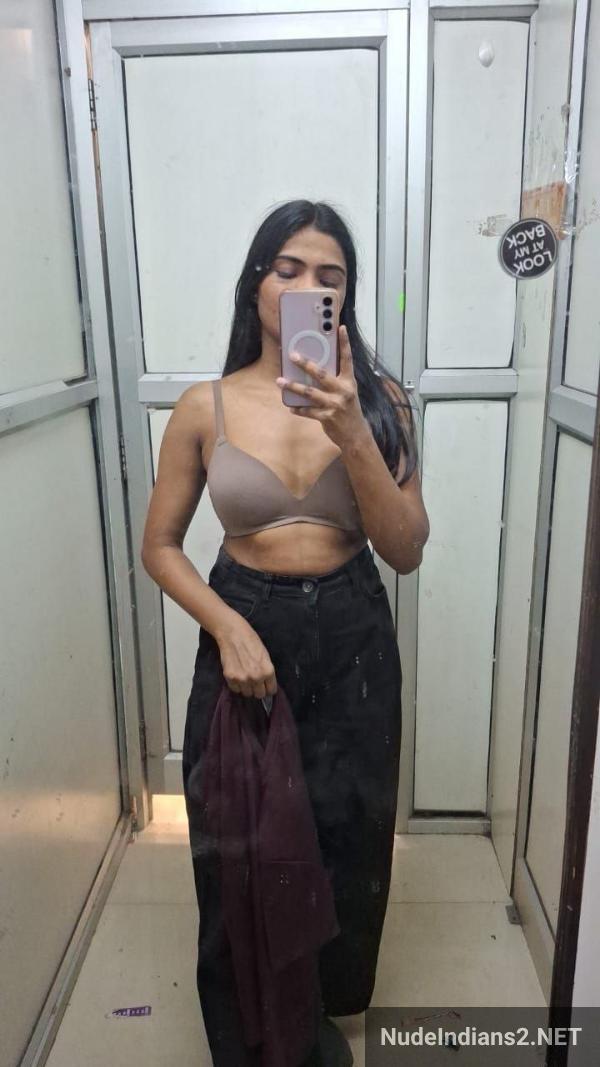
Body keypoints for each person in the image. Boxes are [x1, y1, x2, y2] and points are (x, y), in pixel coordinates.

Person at [141, 200, 430, 1066]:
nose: (308, 286)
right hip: (246, 617)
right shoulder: (206, 407)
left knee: (350, 825)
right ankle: (252, 1029)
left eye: (329, 276)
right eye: (289, 268)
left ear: (346, 299)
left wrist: (353, 430)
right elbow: (159, 546)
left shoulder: (381, 402)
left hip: (353, 626)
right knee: (238, 834)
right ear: (256, 284)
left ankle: (329, 998)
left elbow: (405, 549)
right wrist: (226, 624)